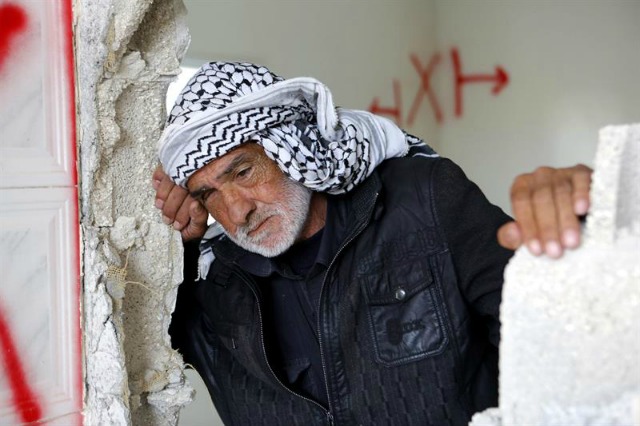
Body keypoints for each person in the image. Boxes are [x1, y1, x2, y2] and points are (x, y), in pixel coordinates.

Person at [153, 62, 592, 425]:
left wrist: (588, 224)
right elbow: (143, 351)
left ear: (292, 145)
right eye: (208, 194)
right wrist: (176, 245)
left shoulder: (425, 201)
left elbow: (557, 339)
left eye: (243, 172)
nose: (236, 212)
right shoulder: (216, 284)